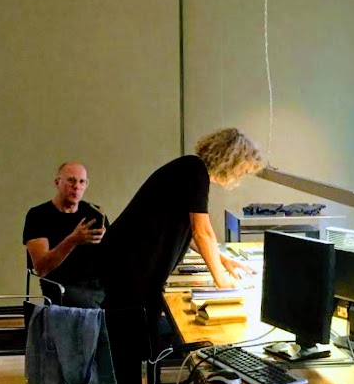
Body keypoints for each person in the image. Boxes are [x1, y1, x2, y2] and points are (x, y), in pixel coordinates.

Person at [99, 127, 264, 320]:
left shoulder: (190, 168)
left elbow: (188, 232)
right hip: (129, 262)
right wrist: (223, 283)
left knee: (141, 320)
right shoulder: (195, 171)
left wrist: (222, 260)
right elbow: (202, 232)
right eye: (242, 170)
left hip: (130, 259)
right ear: (232, 162)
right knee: (131, 323)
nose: (240, 177)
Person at [23, 162, 109, 308]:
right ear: (57, 182)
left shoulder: (94, 214)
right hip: (60, 287)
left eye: (82, 181)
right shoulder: (38, 215)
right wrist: (72, 240)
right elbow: (42, 268)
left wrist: (107, 241)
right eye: (71, 180)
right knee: (95, 312)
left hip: (97, 286)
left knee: (132, 305)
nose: (76, 186)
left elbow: (110, 258)